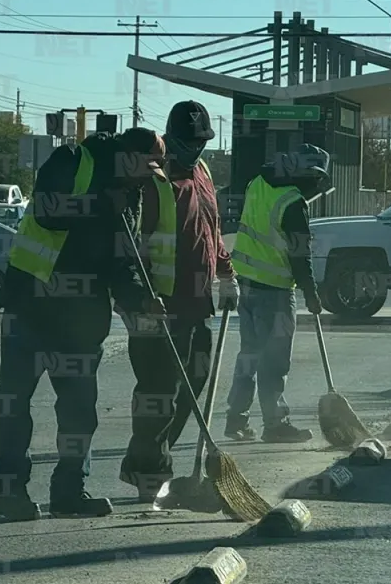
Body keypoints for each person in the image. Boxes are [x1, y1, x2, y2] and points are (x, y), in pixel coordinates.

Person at [0, 127, 169, 521]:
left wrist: (141, 298)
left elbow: (123, 264)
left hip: (81, 319)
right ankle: (10, 492)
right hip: (31, 306)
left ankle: (69, 491)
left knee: (78, 410)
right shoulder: (71, 161)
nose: (147, 177)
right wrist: (104, 204)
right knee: (14, 403)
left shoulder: (133, 198)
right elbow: (48, 211)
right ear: (127, 155)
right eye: (146, 167)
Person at [119, 100, 240, 502]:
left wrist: (226, 274)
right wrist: (138, 297)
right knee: (159, 390)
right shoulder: (152, 180)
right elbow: (130, 244)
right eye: (187, 141)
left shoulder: (202, 173)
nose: (195, 148)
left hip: (197, 300)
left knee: (195, 380)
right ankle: (151, 475)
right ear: (171, 137)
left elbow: (211, 229)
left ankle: (145, 461)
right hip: (158, 302)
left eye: (201, 140)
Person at [224, 143, 334, 444]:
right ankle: (276, 424)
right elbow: (300, 257)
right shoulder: (293, 202)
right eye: (315, 178)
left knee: (249, 354)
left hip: (245, 283)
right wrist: (311, 293)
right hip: (274, 291)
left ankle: (236, 418)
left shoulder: (257, 183)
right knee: (274, 361)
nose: (315, 186)